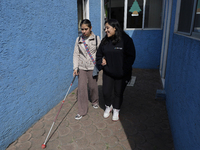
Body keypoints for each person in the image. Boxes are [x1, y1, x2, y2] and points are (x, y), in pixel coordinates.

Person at [96, 19, 136, 121]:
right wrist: (102, 61)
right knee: (106, 92)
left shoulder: (126, 40)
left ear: (115, 28)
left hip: (122, 74)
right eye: (105, 28)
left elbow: (131, 56)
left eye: (107, 28)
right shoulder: (105, 41)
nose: (105, 30)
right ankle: (108, 107)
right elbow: (99, 54)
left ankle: (116, 110)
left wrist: (124, 70)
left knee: (118, 93)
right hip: (108, 72)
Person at [73, 19, 101, 120]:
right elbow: (76, 54)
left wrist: (101, 62)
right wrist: (75, 67)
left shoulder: (97, 39)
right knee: (81, 89)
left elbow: (101, 52)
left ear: (90, 28)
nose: (83, 31)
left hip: (92, 67)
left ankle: (94, 101)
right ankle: (82, 111)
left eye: (86, 29)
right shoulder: (78, 40)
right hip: (82, 67)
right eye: (82, 29)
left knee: (93, 87)